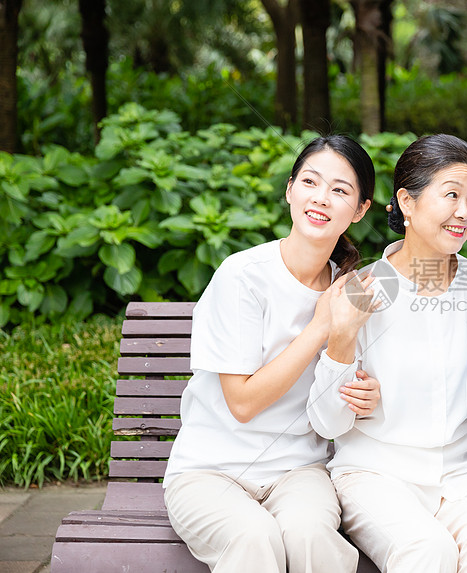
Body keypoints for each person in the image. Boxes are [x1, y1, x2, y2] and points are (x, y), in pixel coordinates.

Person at [163, 135, 382, 573]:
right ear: (289, 190)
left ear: (360, 210)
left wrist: (367, 392)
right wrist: (321, 324)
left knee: (311, 537)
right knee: (254, 538)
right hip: (209, 472)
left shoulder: (353, 289)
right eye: (310, 182)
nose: (320, 198)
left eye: (340, 190)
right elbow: (242, 403)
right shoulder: (242, 276)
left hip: (300, 472)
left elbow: (344, 391)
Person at [307, 134, 467, 573]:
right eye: (451, 195)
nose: (465, 212)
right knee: (427, 552)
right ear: (406, 202)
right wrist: (343, 341)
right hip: (377, 474)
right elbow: (327, 422)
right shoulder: (363, 288)